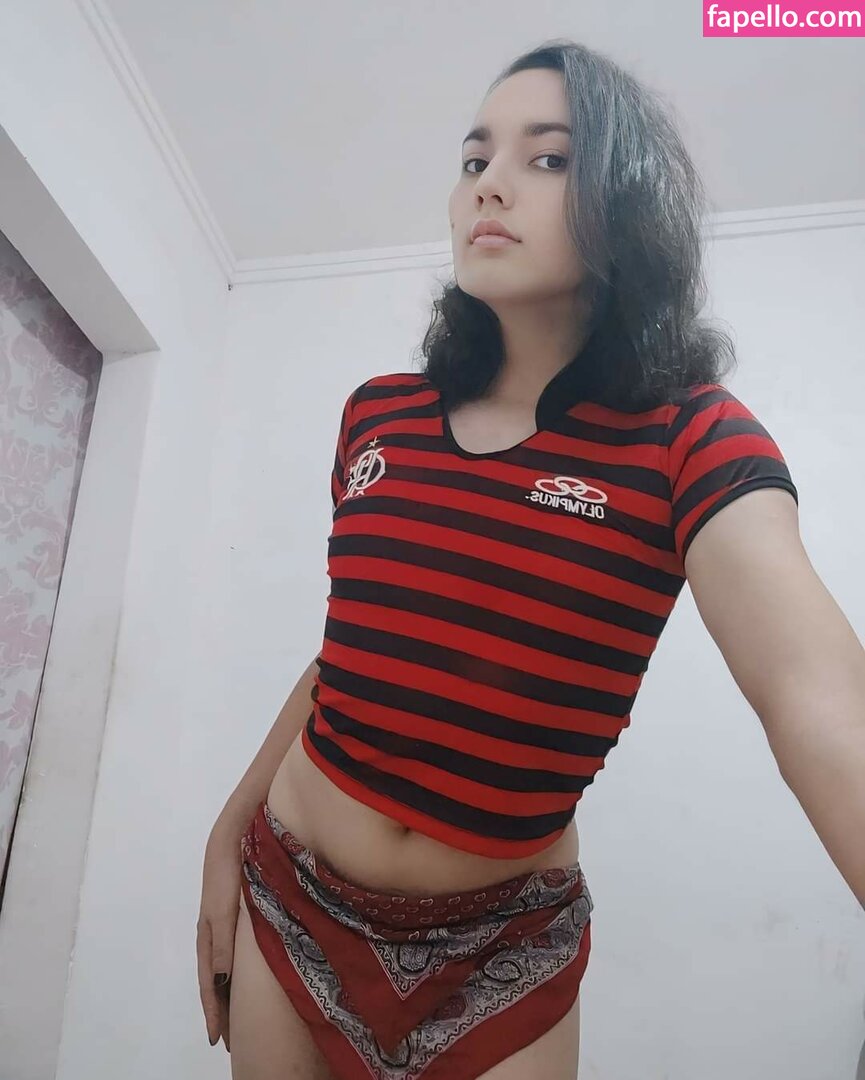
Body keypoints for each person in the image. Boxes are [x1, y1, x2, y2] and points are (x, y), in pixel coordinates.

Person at [197, 38, 863, 1080]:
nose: (490, 185)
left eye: (547, 158)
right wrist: (228, 827)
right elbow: (355, 653)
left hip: (502, 950)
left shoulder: (689, 436)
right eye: (475, 160)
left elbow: (816, 700)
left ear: (625, 203)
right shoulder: (378, 415)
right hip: (290, 886)